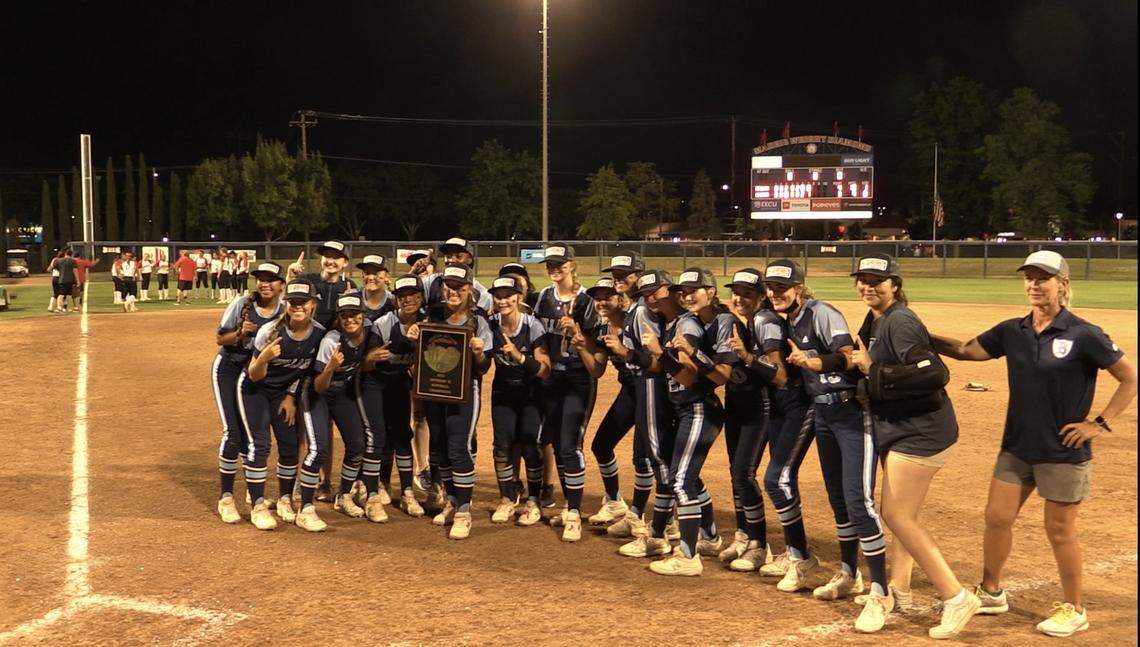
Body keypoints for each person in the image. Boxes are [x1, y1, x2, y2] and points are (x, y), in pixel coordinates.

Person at [931, 250, 1137, 638]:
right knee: (996, 517)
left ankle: (1075, 609)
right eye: (1029, 278)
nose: (1034, 285)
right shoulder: (1014, 330)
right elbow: (965, 350)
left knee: (1059, 530)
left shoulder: (1083, 333)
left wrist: (1099, 423)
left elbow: (1130, 378)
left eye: (1043, 278)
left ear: (1063, 284)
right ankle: (991, 591)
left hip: (1063, 450)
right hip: (1018, 446)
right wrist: (917, 333)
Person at [844, 254, 980, 639]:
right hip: (902, 426)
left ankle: (956, 596)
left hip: (921, 431)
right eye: (864, 279)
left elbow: (935, 373)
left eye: (878, 280)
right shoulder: (877, 318)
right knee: (903, 514)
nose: (869, 286)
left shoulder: (899, 320)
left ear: (895, 285)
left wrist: (873, 370)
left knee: (897, 515)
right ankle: (899, 588)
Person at [770, 258, 891, 633]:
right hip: (823, 415)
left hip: (852, 414)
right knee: (838, 498)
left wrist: (814, 362)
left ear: (799, 288)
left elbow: (845, 356)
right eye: (771, 288)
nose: (776, 293)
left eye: (783, 287)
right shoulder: (787, 320)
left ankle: (880, 592)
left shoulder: (822, 312)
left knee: (859, 500)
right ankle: (848, 573)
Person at [638, 268, 732, 576]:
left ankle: (689, 556)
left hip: (699, 409)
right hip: (689, 410)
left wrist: (660, 355)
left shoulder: (687, 324)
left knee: (680, 480)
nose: (688, 294)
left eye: (695, 289)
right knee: (690, 478)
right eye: (685, 289)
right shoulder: (678, 322)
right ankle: (711, 537)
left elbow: (691, 377)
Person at [406, 265, 493, 540]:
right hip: (434, 391)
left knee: (459, 448)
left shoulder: (478, 321)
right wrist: (413, 338)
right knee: (440, 447)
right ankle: (452, 501)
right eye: (449, 286)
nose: (453, 292)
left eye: (460, 287)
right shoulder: (432, 315)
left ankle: (465, 511)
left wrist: (479, 353)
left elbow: (484, 367)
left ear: (470, 290)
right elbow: (422, 356)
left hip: (465, 391)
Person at [238, 278, 326, 530]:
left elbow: (306, 372)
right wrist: (265, 357)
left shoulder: (318, 333)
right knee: (261, 445)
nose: (297, 307)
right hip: (255, 389)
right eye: (293, 302)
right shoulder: (271, 332)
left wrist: (290, 396)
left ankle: (285, 498)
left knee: (289, 445)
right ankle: (257, 505)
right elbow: (254, 374)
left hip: (282, 393)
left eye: (303, 302)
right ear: (286, 304)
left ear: (312, 305)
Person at [533, 243, 603, 542]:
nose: (554, 269)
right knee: (553, 441)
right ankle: (567, 504)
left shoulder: (587, 300)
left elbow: (597, 349)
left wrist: (578, 334)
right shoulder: (544, 299)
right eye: (550, 264)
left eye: (560, 264)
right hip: (551, 381)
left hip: (578, 379)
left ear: (572, 265)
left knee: (570, 444)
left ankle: (574, 512)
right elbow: (537, 336)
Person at [616, 270, 682, 557]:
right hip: (652, 385)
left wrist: (626, 353)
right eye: (647, 293)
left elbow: (656, 364)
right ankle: (668, 523)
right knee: (658, 456)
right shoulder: (654, 313)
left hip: (652, 385)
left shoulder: (649, 314)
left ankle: (659, 531)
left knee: (659, 458)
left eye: (658, 290)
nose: (652, 297)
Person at [214, 262, 286, 525]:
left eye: (272, 279)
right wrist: (239, 333)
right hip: (230, 368)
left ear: (281, 284)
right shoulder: (243, 304)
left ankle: (251, 494)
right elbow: (220, 339)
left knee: (252, 434)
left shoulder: (284, 311)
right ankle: (225, 497)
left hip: (256, 374)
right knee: (233, 433)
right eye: (261, 279)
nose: (265, 284)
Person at [296, 293, 372, 531]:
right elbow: (319, 385)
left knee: (358, 443)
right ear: (339, 319)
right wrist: (330, 367)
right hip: (317, 393)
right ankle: (305, 508)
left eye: (355, 314)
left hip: (341, 394)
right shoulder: (331, 341)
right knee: (319, 449)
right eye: (345, 316)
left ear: (363, 315)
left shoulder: (369, 332)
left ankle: (344, 496)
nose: (350, 320)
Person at [585, 270, 650, 527]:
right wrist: (581, 345)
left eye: (607, 297)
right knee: (601, 445)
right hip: (629, 392)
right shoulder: (602, 328)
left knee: (642, 456)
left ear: (620, 299)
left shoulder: (637, 320)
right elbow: (597, 370)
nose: (602, 302)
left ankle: (638, 515)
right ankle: (614, 502)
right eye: (598, 297)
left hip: (649, 391)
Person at [293, 240, 357, 502]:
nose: (330, 261)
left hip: (330, 364)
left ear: (344, 262)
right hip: (303, 361)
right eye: (327, 256)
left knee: (325, 425)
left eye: (336, 257)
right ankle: (299, 479)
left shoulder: (350, 288)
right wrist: (290, 279)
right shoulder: (307, 281)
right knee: (301, 425)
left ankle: (325, 481)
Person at [359, 274, 427, 520]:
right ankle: (373, 493)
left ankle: (408, 492)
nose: (408, 299)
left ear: (421, 297)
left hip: (399, 382)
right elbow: (367, 363)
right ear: (396, 299)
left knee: (402, 435)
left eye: (413, 295)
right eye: (402, 296)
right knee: (377, 436)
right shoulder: (383, 323)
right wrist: (397, 344)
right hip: (376, 384)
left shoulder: (428, 323)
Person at [487, 274, 551, 525]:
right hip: (503, 391)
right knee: (501, 445)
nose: (503, 301)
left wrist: (519, 357)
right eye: (498, 297)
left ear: (518, 298)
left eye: (507, 296)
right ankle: (507, 498)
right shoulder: (490, 323)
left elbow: (545, 370)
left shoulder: (532, 326)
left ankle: (533, 500)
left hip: (531, 393)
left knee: (529, 443)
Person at [357, 254, 395, 322]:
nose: (371, 278)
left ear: (387, 276)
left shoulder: (393, 302)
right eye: (367, 273)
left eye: (376, 273)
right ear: (362, 275)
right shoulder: (354, 298)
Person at [54, 249, 78, 313]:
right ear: (72, 254)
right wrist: (77, 280)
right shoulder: (73, 261)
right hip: (70, 280)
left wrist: (61, 271)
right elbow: (75, 271)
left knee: (61, 294)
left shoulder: (59, 260)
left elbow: (54, 267)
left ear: (65, 254)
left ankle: (59, 307)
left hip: (62, 279)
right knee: (69, 295)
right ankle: (68, 308)